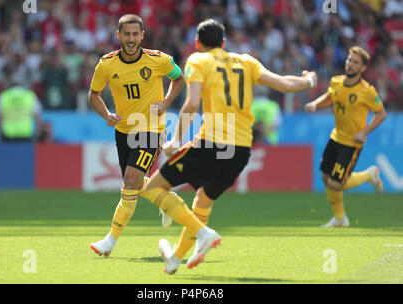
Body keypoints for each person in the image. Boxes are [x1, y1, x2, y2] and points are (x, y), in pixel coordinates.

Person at [144, 18, 318, 274]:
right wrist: (310, 81)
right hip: (240, 151)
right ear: (224, 43)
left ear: (197, 43)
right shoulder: (246, 61)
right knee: (202, 200)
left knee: (152, 188)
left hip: (211, 143)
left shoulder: (197, 60)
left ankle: (202, 233)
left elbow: (192, 104)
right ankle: (176, 259)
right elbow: (284, 84)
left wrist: (176, 139)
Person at [88, 14, 220, 263]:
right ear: (119, 36)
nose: (130, 39)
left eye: (135, 34)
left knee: (130, 181)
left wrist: (166, 102)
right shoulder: (106, 64)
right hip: (124, 131)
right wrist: (107, 114)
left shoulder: (158, 60)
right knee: (137, 186)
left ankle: (110, 241)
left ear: (141, 36)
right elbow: (93, 94)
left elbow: (179, 78)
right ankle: (168, 200)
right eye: (126, 34)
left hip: (150, 130)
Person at [304, 46, 386, 228]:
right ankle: (340, 219)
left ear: (363, 68)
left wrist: (364, 132)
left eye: (356, 62)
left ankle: (369, 174)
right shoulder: (337, 82)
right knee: (326, 178)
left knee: (336, 184)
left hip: (352, 143)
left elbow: (381, 114)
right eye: (349, 60)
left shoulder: (367, 91)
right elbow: (329, 97)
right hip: (336, 138)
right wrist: (315, 105)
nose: (350, 64)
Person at [0, 77, 42, 143]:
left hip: (8, 136)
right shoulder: (30, 96)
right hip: (26, 135)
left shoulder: (3, 96)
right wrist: (37, 135)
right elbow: (37, 118)